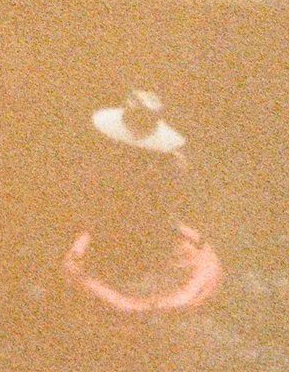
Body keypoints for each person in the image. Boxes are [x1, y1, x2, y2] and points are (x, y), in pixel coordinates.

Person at [63, 86, 219, 310]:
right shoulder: (164, 164)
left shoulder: (169, 166)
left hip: (139, 238)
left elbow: (162, 212)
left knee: (136, 246)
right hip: (127, 237)